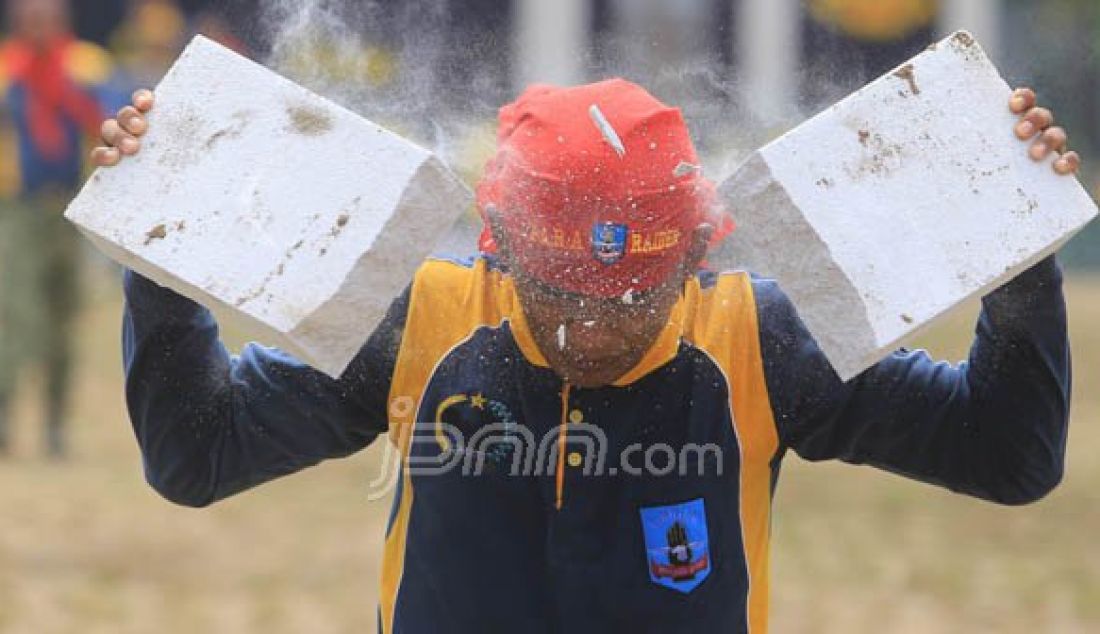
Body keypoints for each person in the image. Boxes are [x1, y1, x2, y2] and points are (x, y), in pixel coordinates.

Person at [92, 78, 1079, 632]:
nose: (591, 332)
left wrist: (1016, 253)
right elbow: (197, 454)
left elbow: (1002, 456)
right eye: (559, 293)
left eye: (633, 298)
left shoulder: (761, 338)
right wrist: (162, 247)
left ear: (698, 252)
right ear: (497, 245)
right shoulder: (415, 318)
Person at [0, 0, 116, 458]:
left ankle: (55, 427)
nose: (40, 27)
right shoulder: (7, 68)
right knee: (15, 315)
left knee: (64, 319)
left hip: (70, 207)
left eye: (47, 17)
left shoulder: (86, 65)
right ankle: (4, 418)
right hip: (17, 210)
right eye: (30, 18)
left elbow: (106, 122)